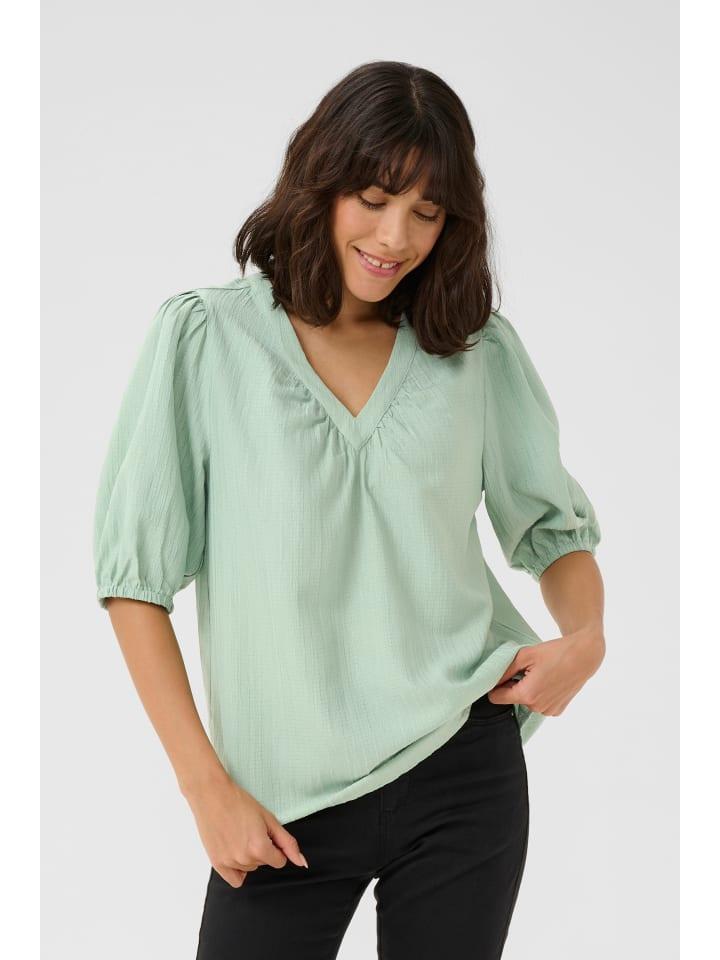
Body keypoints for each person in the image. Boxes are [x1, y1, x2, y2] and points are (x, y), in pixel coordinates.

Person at [92, 61, 605, 960]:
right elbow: (136, 583)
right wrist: (206, 789)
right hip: (281, 804)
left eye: (427, 212)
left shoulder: (473, 352)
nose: (395, 237)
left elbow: (551, 530)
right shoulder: (207, 338)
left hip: (462, 766)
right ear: (321, 182)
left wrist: (587, 639)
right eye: (373, 199)